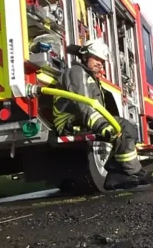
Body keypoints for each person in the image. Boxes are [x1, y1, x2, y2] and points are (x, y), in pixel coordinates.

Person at [52, 38, 143, 190]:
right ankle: (122, 174)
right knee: (116, 130)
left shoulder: (89, 77)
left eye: (102, 61)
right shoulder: (76, 72)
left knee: (128, 127)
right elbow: (84, 104)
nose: (100, 64)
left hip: (81, 119)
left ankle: (129, 171)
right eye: (96, 59)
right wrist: (102, 125)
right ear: (85, 56)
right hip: (70, 122)